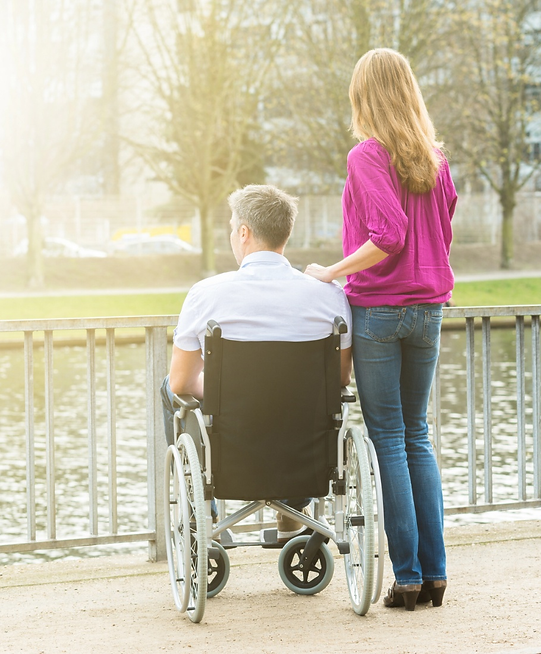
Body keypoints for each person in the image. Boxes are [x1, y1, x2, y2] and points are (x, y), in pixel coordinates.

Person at [305, 48, 454, 611]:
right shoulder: (434, 159)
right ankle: (435, 575)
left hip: (381, 309)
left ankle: (409, 577)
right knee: (417, 436)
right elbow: (440, 226)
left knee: (389, 438)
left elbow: (388, 235)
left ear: (363, 96)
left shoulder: (369, 154)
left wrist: (331, 272)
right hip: (430, 307)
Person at [161, 184, 352, 543]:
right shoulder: (329, 296)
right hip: (302, 443)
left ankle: (205, 516)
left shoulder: (207, 293)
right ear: (286, 232)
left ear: (244, 233)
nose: (232, 234)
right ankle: (293, 512)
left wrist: (225, 390)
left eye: (233, 227)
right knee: (313, 404)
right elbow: (340, 377)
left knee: (168, 389)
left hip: (235, 441)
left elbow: (181, 383)